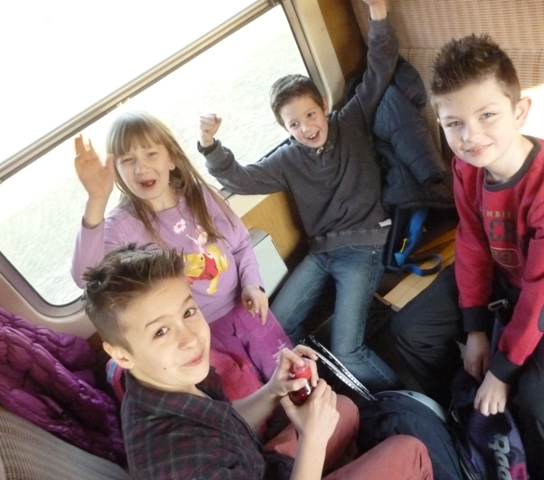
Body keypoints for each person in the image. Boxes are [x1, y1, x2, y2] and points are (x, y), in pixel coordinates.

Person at [391, 33, 544, 480]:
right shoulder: (467, 167)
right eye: (454, 123)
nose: (472, 136)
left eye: (487, 115)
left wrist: (501, 372)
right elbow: (472, 244)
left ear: (519, 111)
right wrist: (475, 329)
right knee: (410, 330)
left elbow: (543, 289)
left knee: (537, 403)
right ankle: (468, 415)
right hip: (504, 275)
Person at [82, 243, 434, 480]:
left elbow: (225, 423)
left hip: (256, 467)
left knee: (343, 408)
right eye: (161, 332)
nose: (190, 339)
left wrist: (274, 389)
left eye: (188, 312)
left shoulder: (162, 383)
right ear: (121, 354)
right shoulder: (183, 463)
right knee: (411, 451)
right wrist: (312, 439)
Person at [198, 0, 402, 393]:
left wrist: (378, 15)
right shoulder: (287, 160)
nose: (307, 128)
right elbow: (239, 178)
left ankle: (405, 404)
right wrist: (209, 145)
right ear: (285, 129)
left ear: (323, 105)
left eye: (310, 115)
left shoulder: (351, 121)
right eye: (294, 124)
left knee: (347, 349)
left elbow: (379, 69)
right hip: (320, 252)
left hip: (364, 247)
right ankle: (312, 392)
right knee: (274, 327)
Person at [71, 111, 292, 382]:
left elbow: (241, 244)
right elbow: (87, 277)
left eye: (151, 154)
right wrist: (96, 199)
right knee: (248, 391)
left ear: (171, 159)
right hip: (198, 334)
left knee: (289, 373)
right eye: (128, 161)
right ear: (116, 171)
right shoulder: (122, 225)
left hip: (247, 309)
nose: (141, 168)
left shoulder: (201, 195)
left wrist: (252, 284)